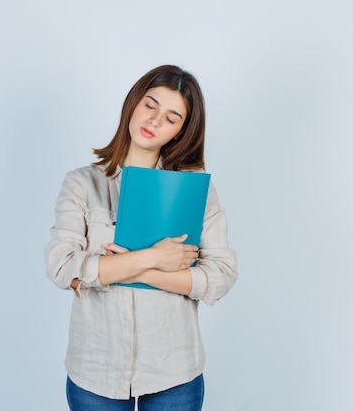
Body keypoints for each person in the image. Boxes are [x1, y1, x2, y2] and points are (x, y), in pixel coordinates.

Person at [45, 64, 237, 411]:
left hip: (173, 373)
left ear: (180, 131)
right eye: (151, 105)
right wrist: (152, 257)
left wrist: (130, 271)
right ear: (134, 103)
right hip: (95, 372)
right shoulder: (81, 184)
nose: (154, 120)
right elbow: (61, 267)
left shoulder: (195, 192)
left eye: (171, 117)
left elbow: (221, 274)